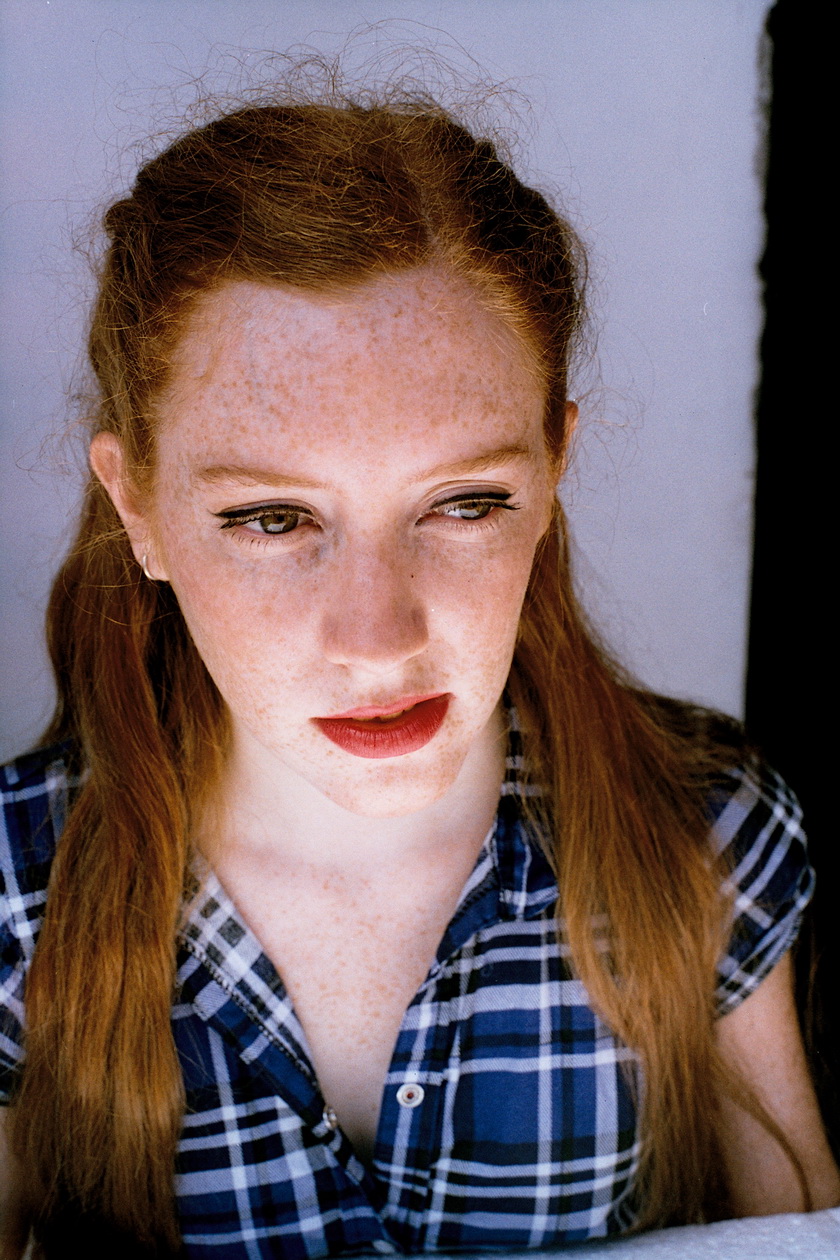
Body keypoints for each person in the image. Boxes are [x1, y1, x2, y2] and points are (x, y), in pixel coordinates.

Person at [0, 92, 837, 1259]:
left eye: (464, 502)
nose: (378, 637)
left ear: (552, 476)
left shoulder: (702, 834)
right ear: (137, 508)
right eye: (272, 517)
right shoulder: (13, 893)